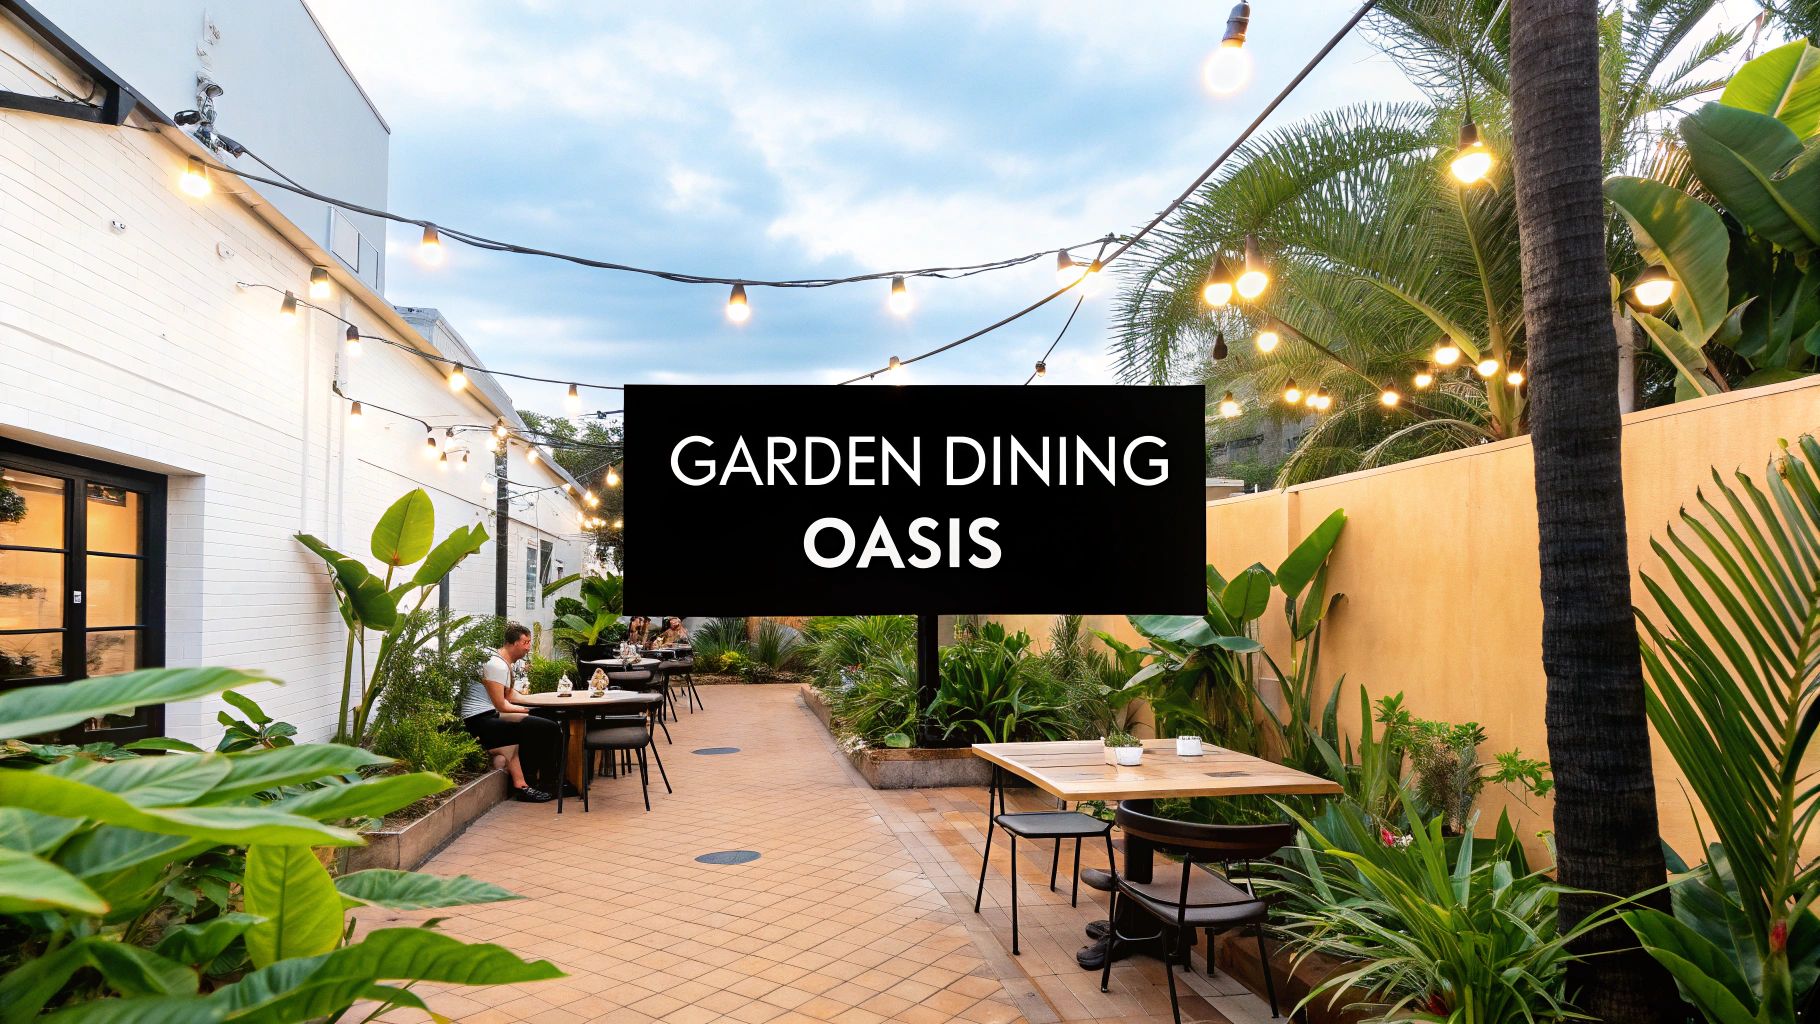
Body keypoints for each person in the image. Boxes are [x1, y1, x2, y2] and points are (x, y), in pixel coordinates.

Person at [459, 622, 565, 802]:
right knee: (546, 728)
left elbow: (509, 694)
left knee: (547, 721)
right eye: (526, 642)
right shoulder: (496, 665)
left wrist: (536, 703)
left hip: (490, 715)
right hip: (479, 721)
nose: (528, 647)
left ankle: (549, 781)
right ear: (513, 643)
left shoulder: (502, 661)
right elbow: (501, 704)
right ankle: (538, 784)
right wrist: (528, 711)